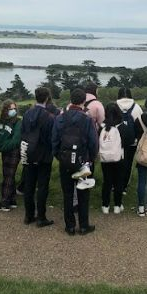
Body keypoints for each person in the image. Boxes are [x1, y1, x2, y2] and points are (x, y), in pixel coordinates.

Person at [53, 88, 99, 235]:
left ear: (70, 100)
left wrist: (59, 157)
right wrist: (91, 159)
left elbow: (54, 141)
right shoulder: (87, 119)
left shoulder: (60, 118)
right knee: (83, 194)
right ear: (83, 101)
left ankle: (70, 226)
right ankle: (84, 225)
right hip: (83, 161)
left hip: (65, 160)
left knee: (67, 194)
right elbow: (93, 143)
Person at [22, 87, 57, 228]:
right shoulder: (49, 117)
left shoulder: (27, 113)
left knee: (29, 185)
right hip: (44, 153)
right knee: (42, 186)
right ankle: (41, 217)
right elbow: (51, 137)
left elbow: (23, 132)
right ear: (47, 98)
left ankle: (29, 215)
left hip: (29, 151)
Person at [98, 103, 131, 214]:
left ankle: (105, 205)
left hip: (104, 158)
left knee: (107, 181)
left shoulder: (101, 127)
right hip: (119, 157)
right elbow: (128, 141)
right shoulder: (123, 127)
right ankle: (117, 205)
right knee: (119, 181)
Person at [0, 99, 22, 210]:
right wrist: (1, 146)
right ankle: (12, 199)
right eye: (10, 109)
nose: (13, 111)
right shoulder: (1, 121)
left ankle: (4, 201)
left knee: (8, 176)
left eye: (14, 109)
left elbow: (16, 139)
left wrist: (4, 146)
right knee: (9, 175)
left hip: (13, 151)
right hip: (5, 151)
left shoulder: (18, 122)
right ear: (5, 110)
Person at [115, 88, 142, 200]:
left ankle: (115, 185)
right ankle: (124, 187)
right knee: (128, 164)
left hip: (116, 142)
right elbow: (140, 125)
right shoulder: (136, 107)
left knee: (116, 163)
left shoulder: (114, 106)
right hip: (132, 142)